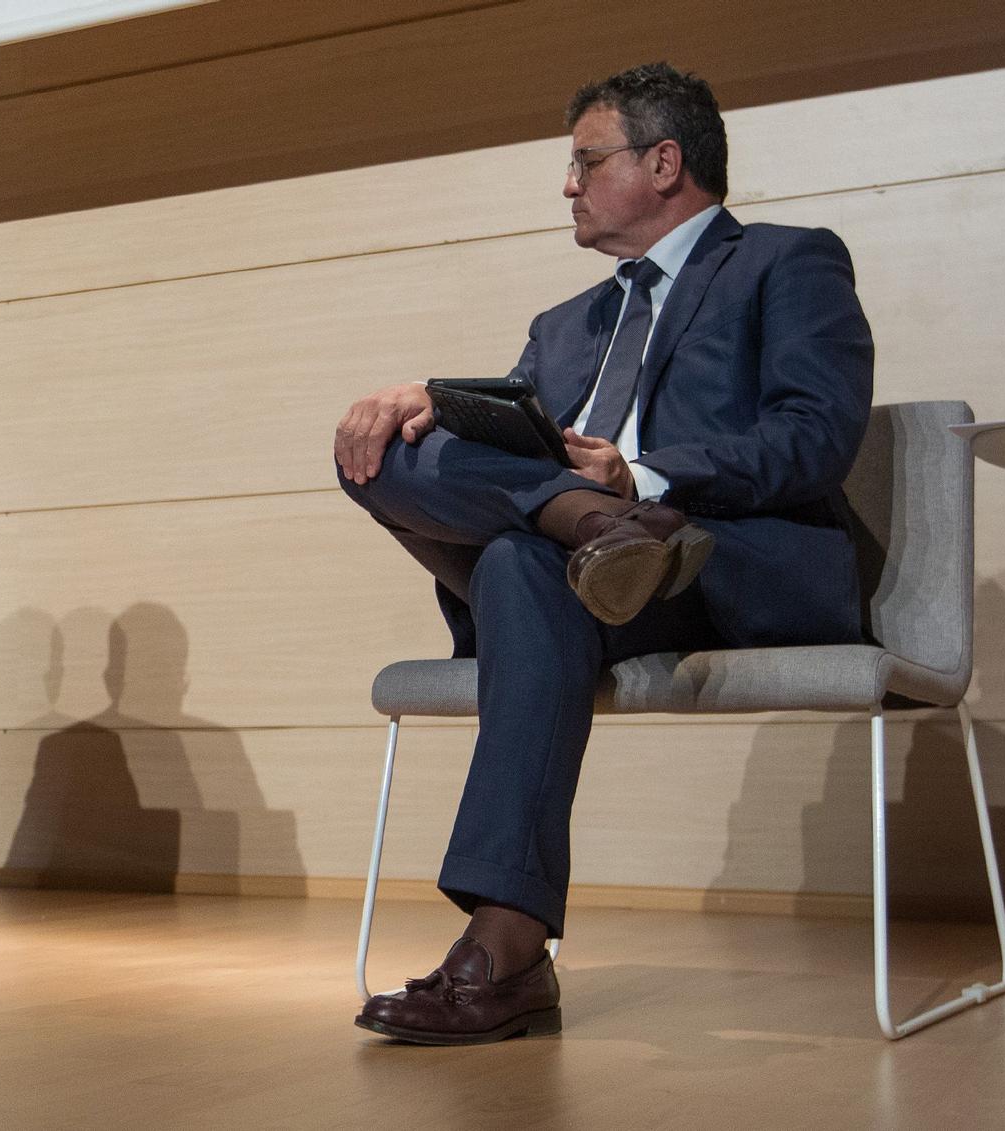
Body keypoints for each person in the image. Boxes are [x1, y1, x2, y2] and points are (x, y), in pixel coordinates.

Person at [334, 63, 873, 1044]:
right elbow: (498, 461)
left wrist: (640, 475)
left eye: (585, 160)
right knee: (381, 450)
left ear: (663, 162)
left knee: (514, 562)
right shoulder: (560, 326)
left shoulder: (786, 263)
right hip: (591, 566)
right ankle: (585, 527)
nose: (567, 185)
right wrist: (425, 400)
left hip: (715, 564)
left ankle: (502, 953)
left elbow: (816, 434)